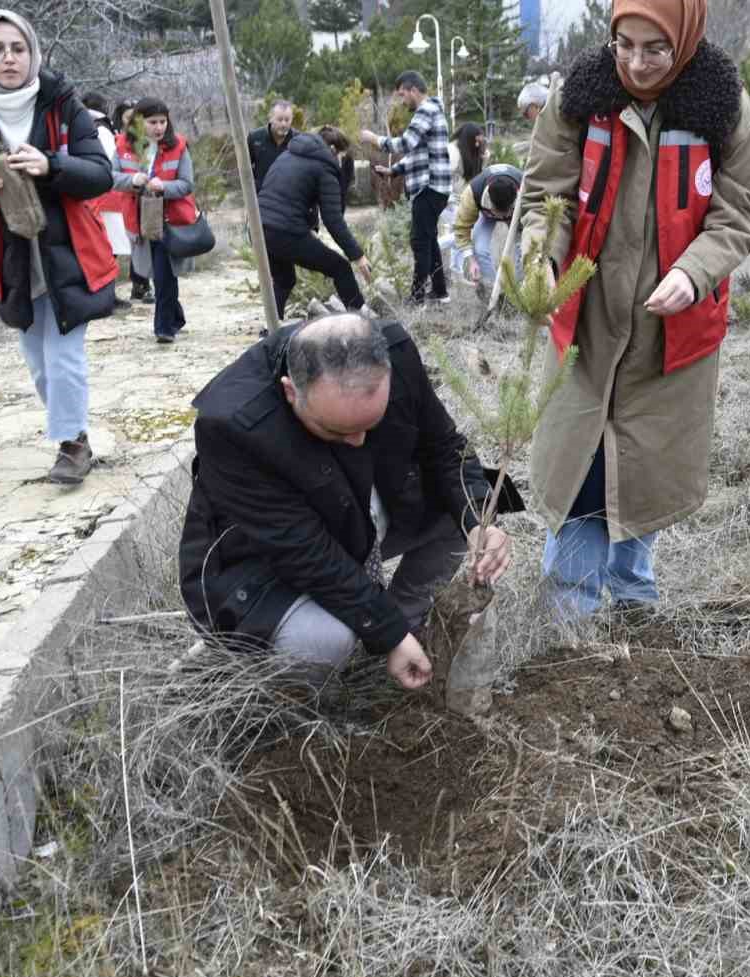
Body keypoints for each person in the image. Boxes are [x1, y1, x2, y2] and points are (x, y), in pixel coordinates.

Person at [519, 0, 750, 615]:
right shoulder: (580, 95)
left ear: (683, 39)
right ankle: (568, 612)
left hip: (671, 330)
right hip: (588, 320)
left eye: (654, 48)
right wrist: (542, 257)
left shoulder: (722, 102)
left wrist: (693, 272)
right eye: (623, 45)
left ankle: (634, 601)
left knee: (642, 469)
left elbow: (739, 210)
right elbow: (544, 192)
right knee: (581, 471)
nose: (636, 62)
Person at [178, 314, 513, 688]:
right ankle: (274, 686)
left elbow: (445, 449)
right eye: (338, 431)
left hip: (353, 518)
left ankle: (406, 620)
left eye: (371, 426)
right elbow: (305, 552)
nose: (358, 442)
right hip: (263, 565)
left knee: (459, 508)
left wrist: (478, 520)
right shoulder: (235, 425)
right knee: (324, 642)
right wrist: (387, 633)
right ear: (292, 392)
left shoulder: (394, 354)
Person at [0, 8, 115, 485]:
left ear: (33, 52)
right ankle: (74, 430)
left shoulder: (62, 103)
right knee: (38, 360)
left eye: (17, 48)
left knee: (63, 354)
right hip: (11, 253)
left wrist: (52, 165)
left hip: (69, 249)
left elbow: (99, 173)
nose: (8, 58)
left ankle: (72, 446)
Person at [258, 125, 374, 317]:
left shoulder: (289, 154)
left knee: (284, 279)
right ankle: (362, 319)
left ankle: (270, 328)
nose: (342, 162)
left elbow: (294, 193)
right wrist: (358, 256)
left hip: (260, 228)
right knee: (341, 268)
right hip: (285, 231)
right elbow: (333, 220)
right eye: (342, 156)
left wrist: (309, 228)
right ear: (334, 150)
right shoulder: (324, 167)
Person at [360, 72, 453, 305]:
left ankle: (417, 298)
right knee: (429, 239)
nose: (402, 101)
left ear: (413, 90)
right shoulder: (433, 111)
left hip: (429, 187)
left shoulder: (426, 111)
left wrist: (375, 139)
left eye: (403, 95)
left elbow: (405, 144)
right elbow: (418, 153)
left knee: (420, 242)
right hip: (435, 186)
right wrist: (394, 171)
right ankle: (440, 292)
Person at [122, 97, 195, 344]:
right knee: (154, 272)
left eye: (163, 121)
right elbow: (109, 177)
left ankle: (164, 328)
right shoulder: (123, 146)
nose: (159, 127)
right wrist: (132, 181)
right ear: (139, 122)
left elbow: (187, 184)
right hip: (139, 219)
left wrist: (163, 186)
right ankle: (175, 316)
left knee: (165, 274)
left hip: (169, 220)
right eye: (153, 122)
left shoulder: (179, 146)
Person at [82, 91, 132, 309]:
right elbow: (112, 159)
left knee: (105, 246)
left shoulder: (85, 125)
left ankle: (105, 294)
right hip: (107, 195)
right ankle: (107, 296)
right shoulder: (101, 129)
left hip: (94, 194)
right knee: (108, 247)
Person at [109, 98, 151, 303]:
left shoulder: (152, 142)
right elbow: (111, 175)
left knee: (146, 243)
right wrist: (132, 181)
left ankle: (144, 285)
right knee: (129, 243)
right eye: (128, 117)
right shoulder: (118, 144)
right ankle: (134, 285)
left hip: (150, 203)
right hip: (124, 203)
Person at [454, 163, 522, 289]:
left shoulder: (526, 190)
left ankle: (517, 292)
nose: (502, 218)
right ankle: (492, 288)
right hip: (487, 216)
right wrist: (471, 260)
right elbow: (461, 229)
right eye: (498, 212)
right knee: (480, 249)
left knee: (524, 251)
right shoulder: (473, 193)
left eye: (505, 213)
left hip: (518, 217)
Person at [247, 99, 296, 191]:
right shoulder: (255, 138)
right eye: (279, 119)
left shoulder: (298, 140)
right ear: (270, 118)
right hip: (262, 196)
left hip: (290, 196)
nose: (283, 124)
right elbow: (245, 167)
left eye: (287, 120)